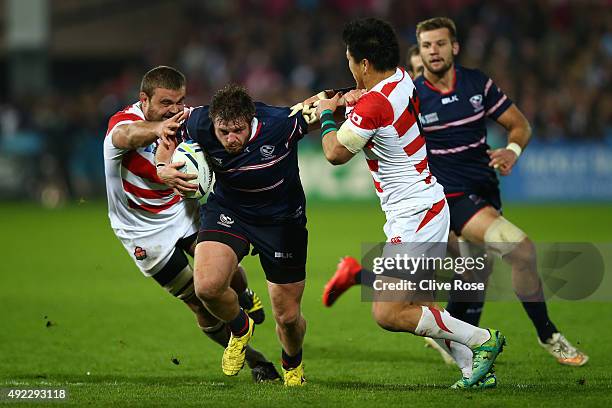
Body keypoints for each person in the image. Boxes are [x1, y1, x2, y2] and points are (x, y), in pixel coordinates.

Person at [324, 17, 588, 367]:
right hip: (449, 198)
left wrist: (513, 149)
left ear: (455, 47)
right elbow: (373, 109)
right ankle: (544, 335)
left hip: (465, 196)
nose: (433, 51)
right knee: (515, 253)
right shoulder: (410, 85)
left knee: (463, 280)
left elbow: (519, 124)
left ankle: (366, 279)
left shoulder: (474, 84)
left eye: (440, 44)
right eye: (426, 45)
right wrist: (354, 100)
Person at [315, 17, 505, 389]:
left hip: (415, 213)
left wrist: (325, 114)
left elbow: (335, 153)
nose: (349, 67)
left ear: (363, 64)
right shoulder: (400, 78)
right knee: (416, 307)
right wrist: (352, 99)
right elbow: (374, 107)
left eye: (351, 61)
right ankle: (474, 372)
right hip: (425, 203)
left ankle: (483, 340)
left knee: (388, 312)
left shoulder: (374, 104)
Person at [103, 66, 279, 382]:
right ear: (144, 100)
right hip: (142, 233)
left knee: (220, 273)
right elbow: (125, 136)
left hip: (183, 211)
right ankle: (256, 360)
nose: (175, 110)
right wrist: (157, 131)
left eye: (180, 101)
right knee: (199, 304)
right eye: (166, 103)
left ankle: (245, 295)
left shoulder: (186, 120)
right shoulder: (123, 123)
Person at [156, 83, 339, 386]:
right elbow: (167, 134)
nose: (230, 139)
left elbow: (327, 102)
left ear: (251, 120)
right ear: (213, 122)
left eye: (237, 131)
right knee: (207, 287)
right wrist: (163, 164)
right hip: (230, 211)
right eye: (223, 131)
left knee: (288, 318)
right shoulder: (199, 121)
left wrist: (352, 97)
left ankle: (292, 364)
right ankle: (241, 328)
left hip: (282, 222)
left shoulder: (281, 123)